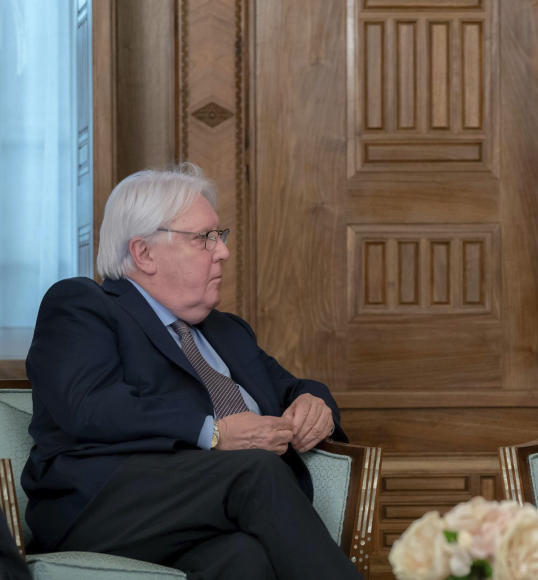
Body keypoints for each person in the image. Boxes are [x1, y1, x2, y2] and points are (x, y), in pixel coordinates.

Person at [23, 164, 361, 579]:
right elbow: (88, 406)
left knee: (243, 558)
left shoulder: (227, 331)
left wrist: (315, 402)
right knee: (255, 469)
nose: (223, 251)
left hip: (202, 517)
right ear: (143, 253)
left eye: (220, 236)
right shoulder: (84, 305)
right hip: (101, 506)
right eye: (204, 239)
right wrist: (213, 432)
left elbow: (292, 388)